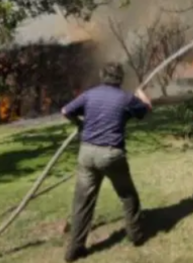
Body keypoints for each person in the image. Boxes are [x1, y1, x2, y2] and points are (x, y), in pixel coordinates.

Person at [60, 62, 153, 262]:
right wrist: (141, 94)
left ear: (103, 76)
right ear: (120, 78)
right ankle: (136, 236)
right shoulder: (126, 98)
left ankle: (74, 249)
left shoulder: (90, 94)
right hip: (111, 155)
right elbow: (147, 110)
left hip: (86, 154)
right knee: (128, 196)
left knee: (82, 203)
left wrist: (80, 125)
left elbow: (65, 111)